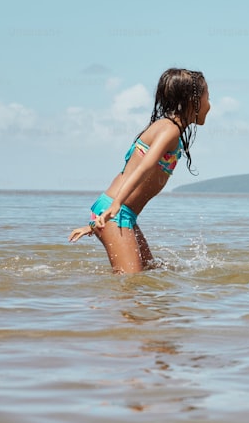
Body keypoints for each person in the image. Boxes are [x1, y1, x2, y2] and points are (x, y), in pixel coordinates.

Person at [68, 68, 210, 274]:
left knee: (151, 271)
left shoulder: (168, 129)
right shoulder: (169, 130)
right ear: (192, 101)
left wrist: (98, 220)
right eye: (208, 97)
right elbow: (145, 167)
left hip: (120, 213)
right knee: (130, 284)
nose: (210, 105)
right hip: (116, 212)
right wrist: (115, 206)